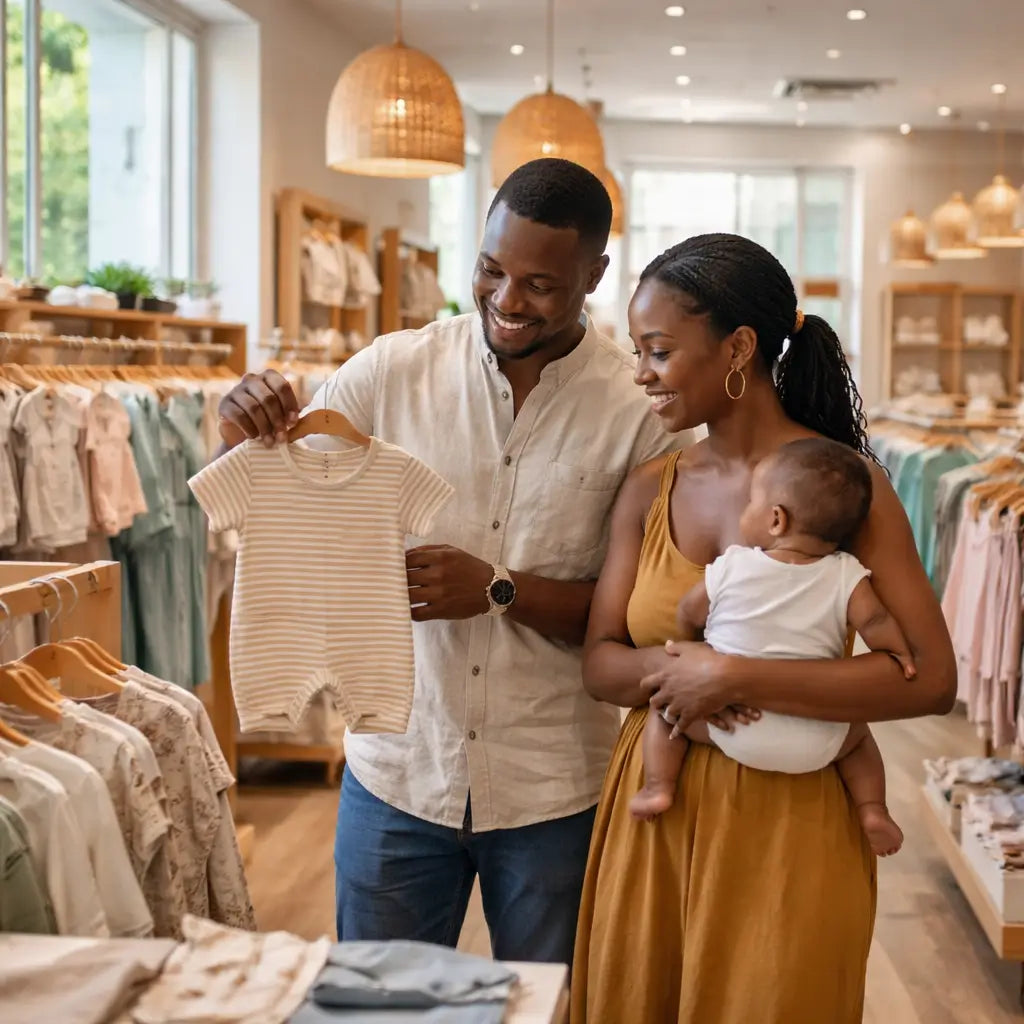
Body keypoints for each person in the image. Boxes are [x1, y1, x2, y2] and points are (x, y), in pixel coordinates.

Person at [215, 158, 690, 965]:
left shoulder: (640, 413)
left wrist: (500, 590)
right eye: (491, 269)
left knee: (547, 1006)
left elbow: (646, 615)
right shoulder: (391, 371)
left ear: (594, 275)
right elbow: (281, 503)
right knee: (377, 1009)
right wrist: (240, 426)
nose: (507, 299)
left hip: (552, 787)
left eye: (540, 285)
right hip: (397, 774)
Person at [571, 233, 956, 1024]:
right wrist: (684, 676)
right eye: (639, 352)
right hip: (657, 812)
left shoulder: (848, 489)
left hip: (797, 824)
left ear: (739, 348)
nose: (641, 372)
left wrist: (732, 676)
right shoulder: (648, 488)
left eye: (658, 351)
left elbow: (929, 679)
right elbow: (602, 663)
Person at [629, 436, 914, 861]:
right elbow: (875, 621)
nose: (745, 512)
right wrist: (900, 653)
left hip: (733, 730)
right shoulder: (846, 574)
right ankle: (872, 808)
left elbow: (688, 610)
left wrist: (693, 650)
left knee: (665, 711)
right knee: (859, 737)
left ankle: (658, 786)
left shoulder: (733, 566)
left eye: (751, 503)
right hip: (821, 738)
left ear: (776, 519)